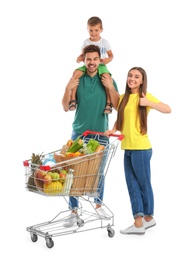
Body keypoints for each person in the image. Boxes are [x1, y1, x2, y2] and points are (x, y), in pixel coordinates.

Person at [105, 67, 171, 235]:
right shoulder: (123, 99)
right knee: (132, 185)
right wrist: (112, 130)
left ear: (142, 81)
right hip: (127, 148)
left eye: (136, 77)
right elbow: (120, 122)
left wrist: (149, 103)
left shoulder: (144, 97)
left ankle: (147, 218)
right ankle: (139, 221)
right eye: (130, 75)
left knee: (143, 184)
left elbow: (167, 109)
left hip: (141, 149)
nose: (132, 79)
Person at [62, 44, 119, 227]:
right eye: (89, 59)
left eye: (95, 59)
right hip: (79, 133)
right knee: (73, 173)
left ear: (99, 60)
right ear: (84, 60)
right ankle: (73, 211)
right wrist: (67, 88)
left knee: (99, 173)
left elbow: (118, 106)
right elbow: (65, 107)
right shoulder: (78, 79)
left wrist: (110, 87)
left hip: (101, 134)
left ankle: (98, 204)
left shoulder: (107, 78)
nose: (92, 63)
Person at [69, 16, 114, 114]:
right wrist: (80, 57)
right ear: (87, 30)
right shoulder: (86, 42)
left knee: (106, 77)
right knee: (76, 73)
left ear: (101, 30)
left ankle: (108, 103)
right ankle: (73, 100)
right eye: (91, 30)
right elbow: (83, 55)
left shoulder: (104, 42)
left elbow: (111, 55)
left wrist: (107, 60)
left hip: (101, 64)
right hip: (88, 64)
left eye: (96, 30)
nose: (93, 33)